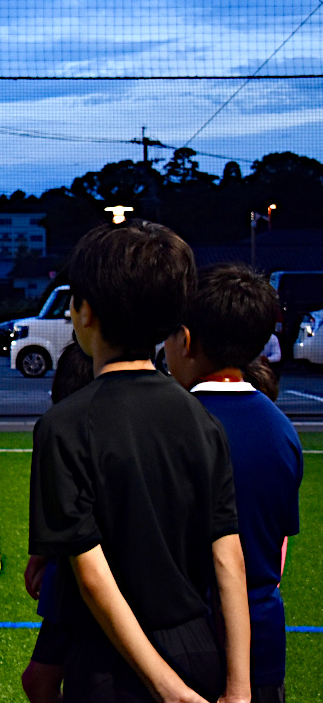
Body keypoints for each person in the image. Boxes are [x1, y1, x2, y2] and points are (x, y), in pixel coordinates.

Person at [29, 221, 251, 703]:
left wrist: (164, 686)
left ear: (84, 312)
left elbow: (91, 574)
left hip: (113, 660)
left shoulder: (64, 426)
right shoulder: (201, 418)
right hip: (199, 645)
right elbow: (228, 557)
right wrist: (240, 687)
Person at [165, 263, 303, 703]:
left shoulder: (169, 426)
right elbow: (276, 550)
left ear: (185, 340)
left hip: (183, 646)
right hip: (262, 644)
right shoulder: (282, 430)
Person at [23, 342, 94, 703]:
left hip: (72, 574)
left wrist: (41, 558)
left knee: (44, 680)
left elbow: (56, 508)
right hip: (115, 574)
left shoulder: (57, 428)